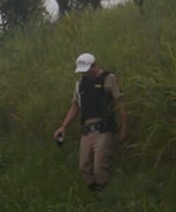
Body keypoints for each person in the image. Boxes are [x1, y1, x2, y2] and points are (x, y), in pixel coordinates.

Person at [53, 53, 127, 191]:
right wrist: (63, 126)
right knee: (83, 167)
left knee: (100, 167)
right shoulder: (80, 84)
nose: (84, 73)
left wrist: (123, 128)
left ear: (94, 66)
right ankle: (94, 192)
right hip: (87, 130)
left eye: (87, 70)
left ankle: (104, 194)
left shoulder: (109, 79)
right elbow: (75, 106)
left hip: (104, 130)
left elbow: (120, 103)